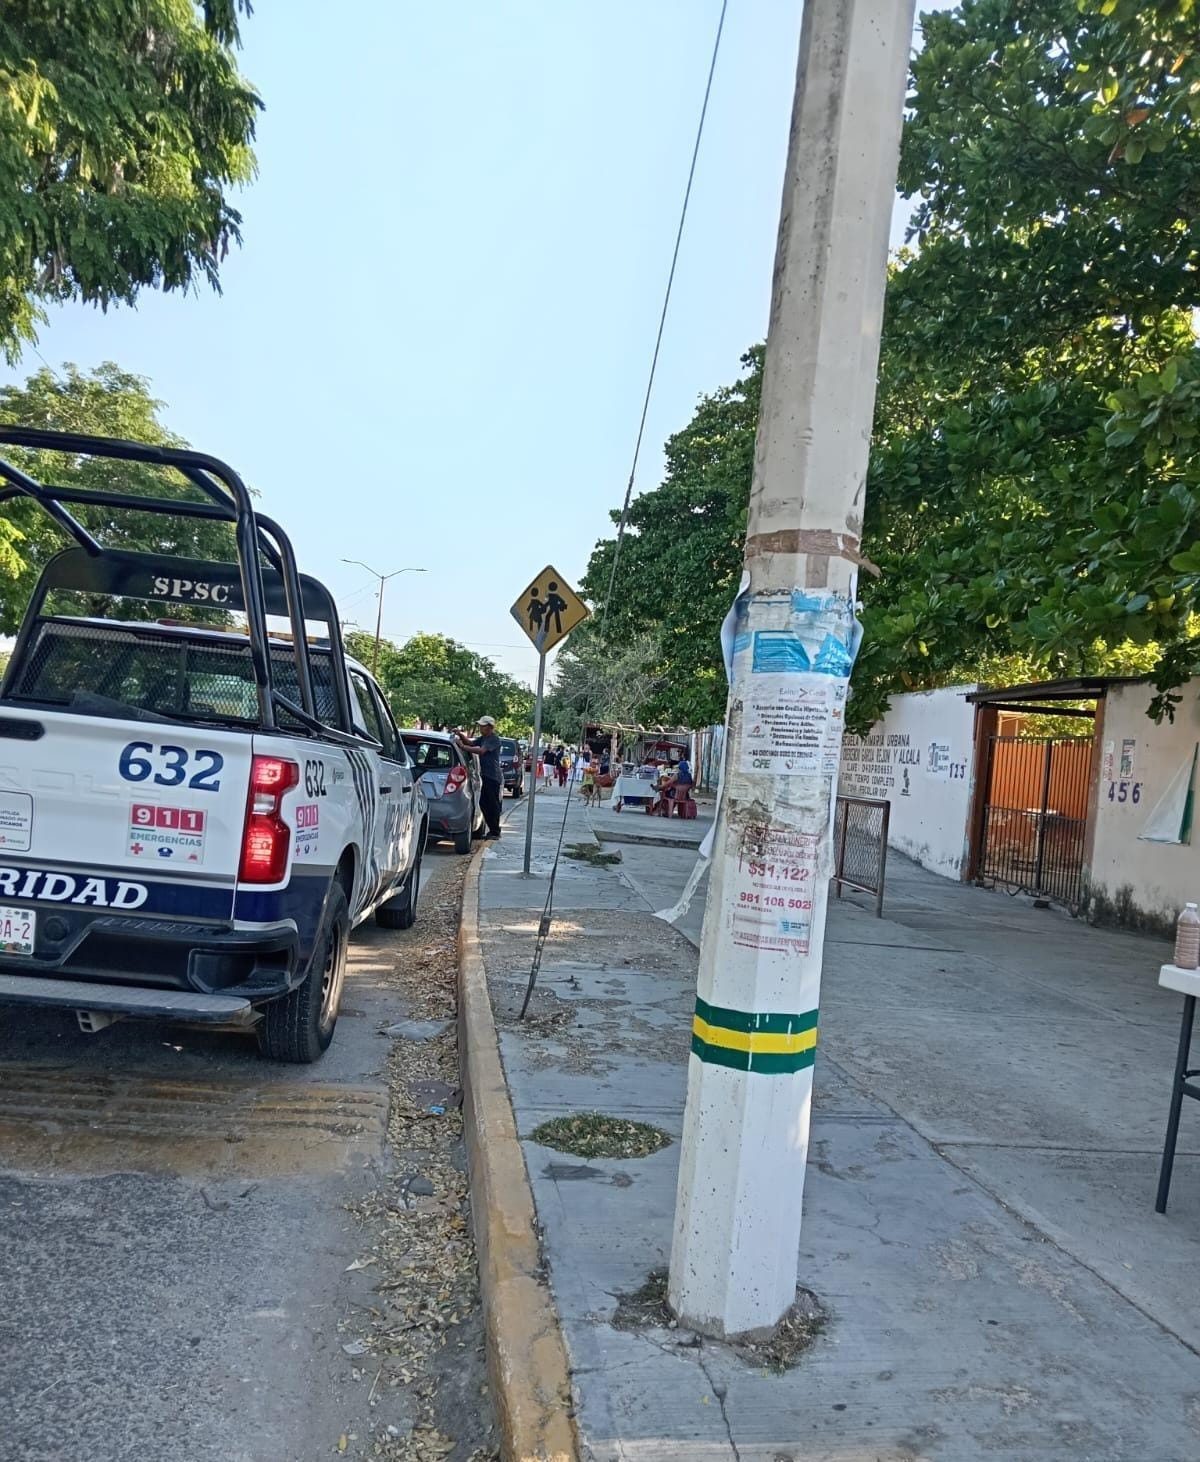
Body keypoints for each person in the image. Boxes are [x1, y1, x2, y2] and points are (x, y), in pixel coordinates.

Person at [457, 715, 503, 839]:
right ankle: (492, 829)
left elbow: (481, 751)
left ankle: (495, 831)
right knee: (483, 803)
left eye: (482, 726)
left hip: (492, 776)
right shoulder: (483, 738)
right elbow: (471, 743)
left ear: (489, 727)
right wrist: (460, 735)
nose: (480, 728)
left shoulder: (494, 739)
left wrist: (462, 747)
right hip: (485, 775)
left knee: (492, 804)